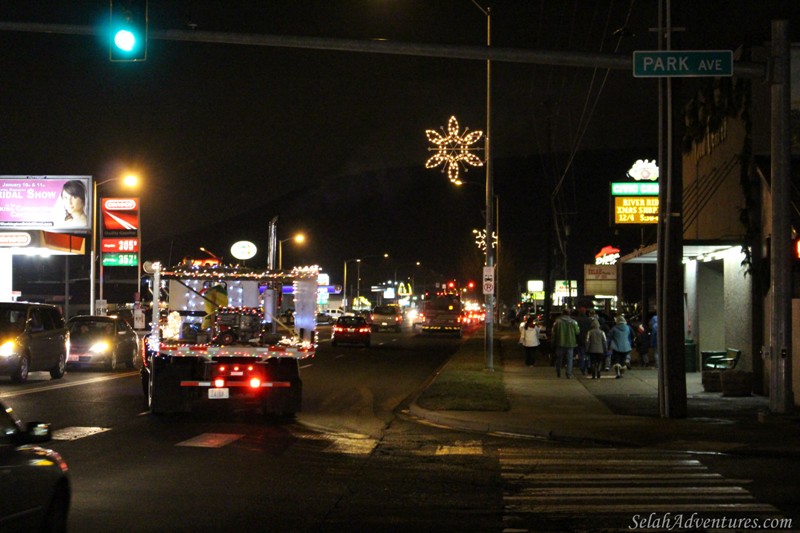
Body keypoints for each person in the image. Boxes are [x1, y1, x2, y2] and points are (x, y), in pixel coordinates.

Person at [552, 307, 579, 378]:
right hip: (570, 343)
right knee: (569, 359)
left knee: (559, 358)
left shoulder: (557, 322)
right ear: (569, 314)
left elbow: (554, 331)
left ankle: (558, 371)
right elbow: (577, 332)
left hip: (560, 342)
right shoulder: (573, 322)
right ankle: (569, 373)